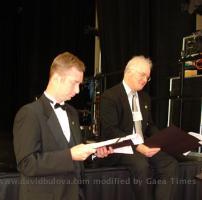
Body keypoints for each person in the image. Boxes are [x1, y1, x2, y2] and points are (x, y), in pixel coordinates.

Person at [13, 52, 113, 200]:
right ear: (57, 79)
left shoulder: (72, 112)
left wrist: (93, 153)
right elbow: (27, 164)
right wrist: (70, 155)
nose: (78, 90)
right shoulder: (29, 113)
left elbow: (74, 151)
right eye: (74, 83)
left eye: (79, 84)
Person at [99, 55, 178, 200]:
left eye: (147, 77)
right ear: (128, 72)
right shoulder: (110, 96)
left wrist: (161, 140)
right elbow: (111, 130)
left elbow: (149, 126)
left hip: (143, 145)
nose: (145, 80)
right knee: (141, 164)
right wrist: (137, 145)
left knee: (169, 163)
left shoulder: (145, 98)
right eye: (142, 75)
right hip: (120, 147)